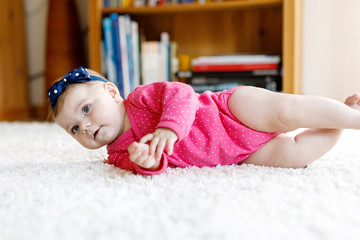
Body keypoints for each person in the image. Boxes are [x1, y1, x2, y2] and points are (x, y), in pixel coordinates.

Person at [48, 67, 360, 175]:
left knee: (288, 111)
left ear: (112, 92)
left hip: (230, 111)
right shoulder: (118, 156)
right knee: (295, 155)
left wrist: (169, 129)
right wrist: (146, 160)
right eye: (75, 128)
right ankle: (340, 124)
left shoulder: (139, 98)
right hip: (238, 155)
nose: (85, 127)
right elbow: (148, 169)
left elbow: (182, 94)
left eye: (86, 110)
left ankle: (352, 118)